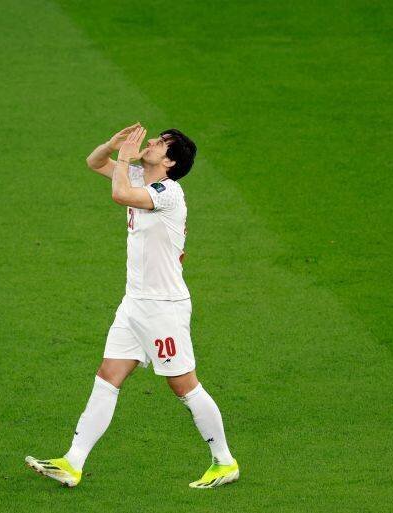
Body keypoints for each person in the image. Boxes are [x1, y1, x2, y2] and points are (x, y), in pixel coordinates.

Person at [25, 123, 239, 489]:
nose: (152, 141)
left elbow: (120, 194)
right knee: (108, 376)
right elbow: (95, 163)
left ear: (170, 162)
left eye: (161, 143)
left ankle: (224, 461)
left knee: (184, 385)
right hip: (135, 303)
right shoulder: (142, 177)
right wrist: (112, 145)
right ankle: (72, 463)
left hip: (163, 308)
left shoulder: (169, 193)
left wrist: (124, 159)